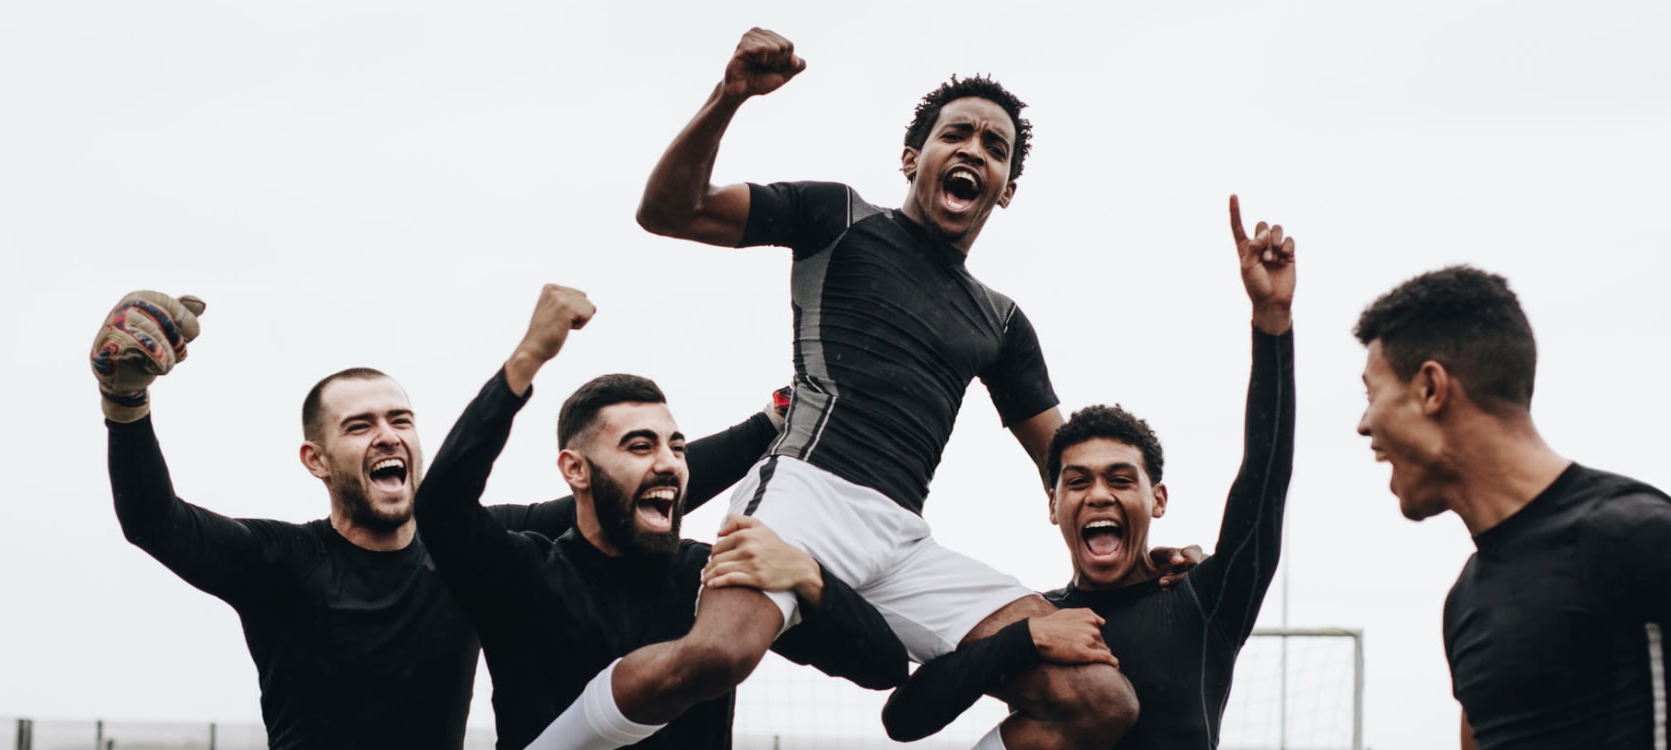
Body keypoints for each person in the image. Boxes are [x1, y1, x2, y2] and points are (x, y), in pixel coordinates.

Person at [539, 27, 1139, 750]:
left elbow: (1068, 467)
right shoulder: (839, 219)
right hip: (805, 495)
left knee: (1100, 697)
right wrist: (729, 98)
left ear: (1005, 189)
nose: (975, 150)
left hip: (906, 541)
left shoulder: (1003, 322)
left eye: (995, 147)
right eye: (958, 134)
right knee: (719, 656)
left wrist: (1143, 555)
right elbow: (669, 211)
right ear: (913, 158)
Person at [91, 290, 778, 750]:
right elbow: (155, 521)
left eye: (401, 421)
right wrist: (125, 406)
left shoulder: (471, 554)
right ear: (317, 460)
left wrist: (776, 417)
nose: (388, 437)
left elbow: (628, 488)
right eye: (359, 426)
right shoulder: (282, 561)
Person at [1351, 266, 1671, 750]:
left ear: (1430, 388)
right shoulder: (1466, 601)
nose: (1364, 425)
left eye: (1371, 394)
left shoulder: (1631, 533)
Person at [409, 284, 909, 749]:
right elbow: (439, 507)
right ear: (576, 470)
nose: (669, 463)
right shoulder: (523, 576)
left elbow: (882, 664)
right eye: (640, 446)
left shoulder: (715, 578)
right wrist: (529, 356)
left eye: (676, 447)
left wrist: (810, 578)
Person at [882, 196, 1296, 749]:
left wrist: (1272, 325)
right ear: (1053, 505)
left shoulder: (1202, 601)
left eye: (1121, 479)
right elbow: (904, 719)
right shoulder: (1038, 617)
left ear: (1159, 499)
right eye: (1078, 481)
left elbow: (1263, 482)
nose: (1098, 494)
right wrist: (1024, 641)